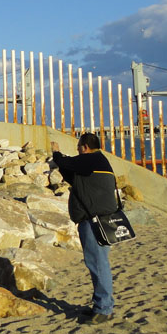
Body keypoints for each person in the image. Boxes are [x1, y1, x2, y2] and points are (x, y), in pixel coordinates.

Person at [51, 133, 120, 324]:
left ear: (85, 147)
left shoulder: (90, 159)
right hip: (103, 221)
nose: (77, 150)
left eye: (79, 146)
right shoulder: (99, 162)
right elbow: (73, 176)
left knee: (98, 264)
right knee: (98, 263)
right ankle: (101, 305)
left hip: (94, 222)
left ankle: (104, 309)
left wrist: (56, 153)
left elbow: (67, 164)